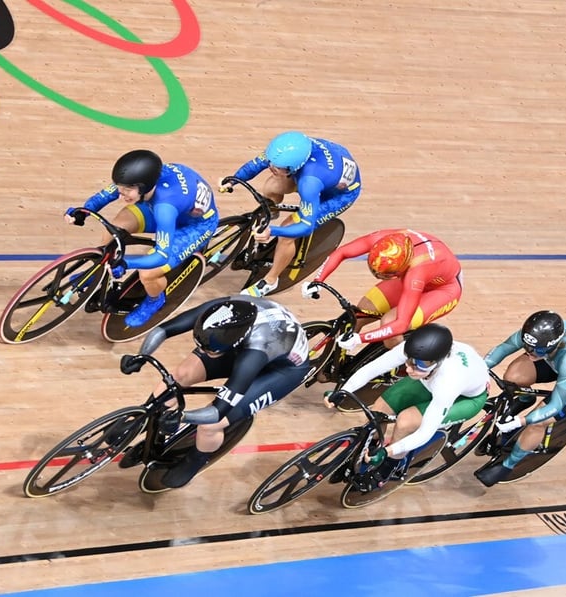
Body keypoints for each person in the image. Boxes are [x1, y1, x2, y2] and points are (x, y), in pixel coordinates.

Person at [120, 296, 309, 488]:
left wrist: (181, 417)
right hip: (249, 341)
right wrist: (141, 356)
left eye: (209, 350)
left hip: (281, 370)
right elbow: (163, 330)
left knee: (212, 425)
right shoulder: (221, 310)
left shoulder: (254, 354)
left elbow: (217, 411)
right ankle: (145, 423)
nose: (202, 351)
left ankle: (196, 460)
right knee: (181, 375)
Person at [65, 150, 218, 327]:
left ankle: (155, 300)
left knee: (149, 273)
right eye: (120, 189)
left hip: (195, 226)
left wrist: (126, 263)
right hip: (177, 208)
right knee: (115, 228)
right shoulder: (143, 179)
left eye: (126, 191)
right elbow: (107, 194)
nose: (121, 196)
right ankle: (101, 270)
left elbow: (161, 255)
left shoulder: (164, 207)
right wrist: (83, 211)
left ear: (144, 187)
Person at [326, 323, 489, 487]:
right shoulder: (415, 349)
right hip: (429, 382)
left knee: (405, 422)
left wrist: (388, 451)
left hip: (466, 398)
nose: (410, 368)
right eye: (409, 360)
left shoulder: (449, 381)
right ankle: (366, 453)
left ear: (438, 362)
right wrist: (342, 391)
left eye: (420, 365)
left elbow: (425, 432)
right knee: (379, 409)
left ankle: (389, 468)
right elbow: (372, 369)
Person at [475, 311, 566, 487]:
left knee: (540, 421)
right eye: (527, 347)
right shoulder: (534, 336)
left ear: (553, 345)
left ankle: (507, 466)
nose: (530, 353)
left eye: (536, 351)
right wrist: (478, 369)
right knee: (513, 377)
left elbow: (556, 404)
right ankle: (524, 399)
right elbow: (502, 350)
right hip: (553, 359)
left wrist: (520, 421)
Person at [221, 131, 361, 297]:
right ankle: (270, 215)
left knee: (287, 232)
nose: (271, 166)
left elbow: (306, 227)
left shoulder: (309, 182)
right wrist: (233, 180)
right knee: (272, 187)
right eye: (271, 162)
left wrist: (273, 231)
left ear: (293, 168)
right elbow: (255, 165)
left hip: (338, 195)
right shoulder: (284, 152)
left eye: (277, 166)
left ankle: (271, 281)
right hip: (328, 170)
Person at [301, 228, 462, 353]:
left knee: (389, 324)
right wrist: (318, 280)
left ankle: (405, 369)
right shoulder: (387, 240)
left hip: (443, 290)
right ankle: (333, 363)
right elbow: (342, 252)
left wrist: (360, 339)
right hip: (415, 274)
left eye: (386, 275)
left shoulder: (415, 273)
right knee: (359, 313)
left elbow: (400, 324)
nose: (379, 278)